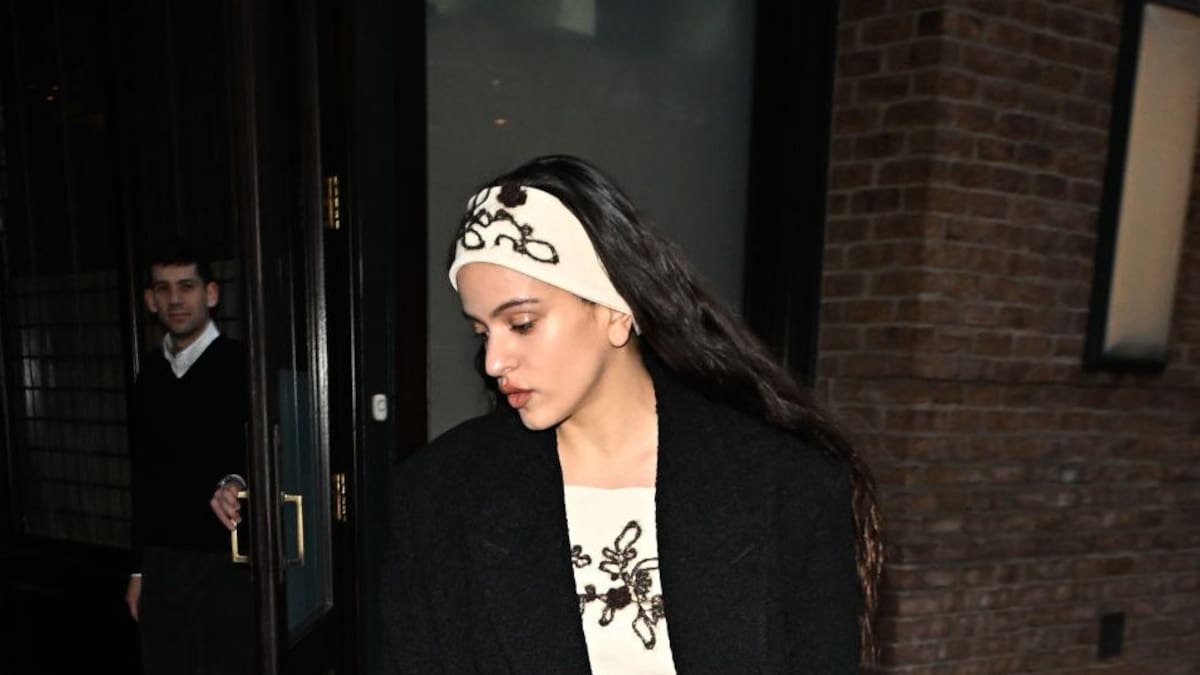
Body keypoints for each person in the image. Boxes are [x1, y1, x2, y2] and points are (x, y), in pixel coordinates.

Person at [382, 155, 884, 674]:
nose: (493, 361)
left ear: (616, 310)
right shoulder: (437, 497)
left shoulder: (788, 487)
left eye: (523, 323)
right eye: (482, 331)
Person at [124, 242, 254, 675]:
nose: (175, 299)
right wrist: (138, 571)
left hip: (225, 558)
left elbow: (265, 449)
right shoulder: (149, 374)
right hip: (162, 561)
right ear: (150, 300)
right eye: (163, 289)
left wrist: (237, 481)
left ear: (211, 293)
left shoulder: (242, 364)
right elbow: (143, 474)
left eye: (187, 286)